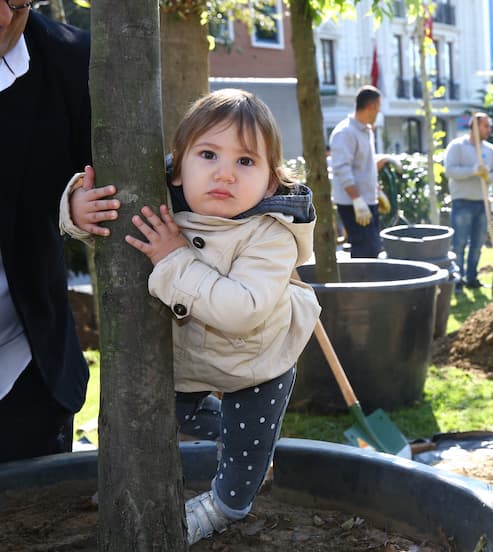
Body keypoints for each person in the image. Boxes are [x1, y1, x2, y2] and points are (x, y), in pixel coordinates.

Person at [62, 89, 321, 545]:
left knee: (246, 453)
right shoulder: (162, 203)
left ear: (271, 183)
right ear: (178, 166)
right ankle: (138, 485)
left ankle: (227, 506)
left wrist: (175, 258)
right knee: (161, 418)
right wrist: (80, 213)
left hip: (258, 360)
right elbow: (112, 225)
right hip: (182, 361)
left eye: (246, 162)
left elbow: (242, 310)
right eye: (208, 154)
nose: (224, 172)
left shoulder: (271, 236)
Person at [0, 2, 92, 462]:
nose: (2, 17)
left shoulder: (70, 60)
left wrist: (74, 206)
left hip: (26, 368)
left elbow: (114, 190)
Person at [444, 112, 493, 290]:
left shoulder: (490, 150)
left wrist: (488, 175)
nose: (489, 129)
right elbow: (450, 171)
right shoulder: (457, 146)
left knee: (477, 244)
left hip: (482, 202)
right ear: (475, 127)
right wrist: (472, 170)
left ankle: (472, 278)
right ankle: (457, 280)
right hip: (462, 201)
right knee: (460, 243)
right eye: (486, 126)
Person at [329, 85, 387, 258]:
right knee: (365, 250)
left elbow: (361, 165)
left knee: (373, 249)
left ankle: (367, 284)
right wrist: (357, 200)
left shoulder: (365, 131)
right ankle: (361, 285)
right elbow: (341, 169)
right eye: (378, 108)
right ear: (371, 107)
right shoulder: (345, 132)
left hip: (367, 200)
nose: (379, 113)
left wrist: (375, 189)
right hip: (352, 203)